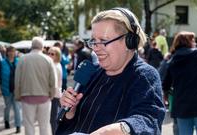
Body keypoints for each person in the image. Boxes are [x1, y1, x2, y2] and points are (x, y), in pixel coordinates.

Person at [56, 7, 165, 135]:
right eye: (93, 41)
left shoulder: (145, 76)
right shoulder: (92, 73)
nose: (95, 48)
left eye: (103, 40)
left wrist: (119, 129)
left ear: (129, 41)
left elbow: (148, 119)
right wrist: (70, 113)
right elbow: (69, 126)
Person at [14, 37, 57, 135]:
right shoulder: (48, 60)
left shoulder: (22, 59)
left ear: (31, 46)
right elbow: (53, 80)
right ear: (42, 47)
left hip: (27, 97)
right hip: (44, 97)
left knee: (29, 125)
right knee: (44, 125)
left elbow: (17, 80)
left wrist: (17, 95)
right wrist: (52, 95)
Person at [162, 31, 197, 135]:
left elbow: (165, 84)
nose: (195, 42)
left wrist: (166, 96)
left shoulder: (172, 60)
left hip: (181, 106)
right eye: (193, 40)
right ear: (188, 41)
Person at [0, 46, 22, 133]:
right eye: (10, 51)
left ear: (15, 52)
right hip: (6, 89)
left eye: (13, 51)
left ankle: (18, 126)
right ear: (7, 52)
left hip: (17, 90)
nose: (12, 53)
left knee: (17, 108)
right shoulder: (2, 62)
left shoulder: (19, 61)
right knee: (7, 107)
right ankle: (6, 121)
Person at [48, 47, 63, 135]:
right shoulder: (54, 64)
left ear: (57, 56)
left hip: (54, 95)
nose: (49, 55)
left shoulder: (55, 66)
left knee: (53, 120)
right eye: (48, 53)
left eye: (52, 54)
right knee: (53, 119)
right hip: (55, 95)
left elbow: (53, 84)